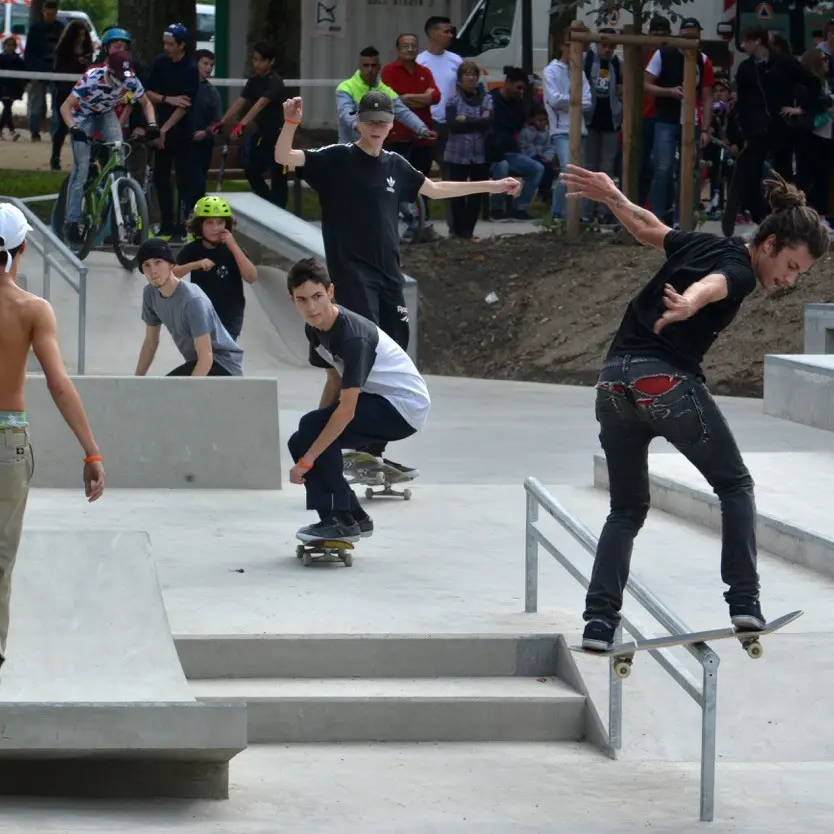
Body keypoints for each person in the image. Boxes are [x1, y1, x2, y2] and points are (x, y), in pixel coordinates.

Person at [557, 164, 829, 652]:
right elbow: (721, 284)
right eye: (791, 267)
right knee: (734, 484)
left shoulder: (702, 243)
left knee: (625, 508)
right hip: (664, 383)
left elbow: (646, 227)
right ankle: (744, 601)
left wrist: (612, 193)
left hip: (613, 384)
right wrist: (691, 301)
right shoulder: (742, 268)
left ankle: (599, 622)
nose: (789, 280)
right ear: (769, 244)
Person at [275, 92, 519, 476]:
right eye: (369, 120)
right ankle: (328, 439)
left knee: (393, 358)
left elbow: (436, 190)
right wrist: (290, 123)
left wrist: (492, 185)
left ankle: (369, 449)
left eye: (383, 121)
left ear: (392, 124)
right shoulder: (336, 157)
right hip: (353, 275)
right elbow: (285, 158)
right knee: (356, 361)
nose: (376, 127)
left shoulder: (396, 165)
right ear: (357, 122)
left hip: (390, 277)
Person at [0, 203, 106, 668]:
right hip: (8, 443)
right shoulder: (31, 309)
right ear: (21, 249)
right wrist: (91, 452)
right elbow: (59, 384)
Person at [286, 257, 430, 543]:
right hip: (379, 399)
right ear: (292, 300)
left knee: (311, 437)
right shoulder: (313, 329)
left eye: (317, 297)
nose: (311, 307)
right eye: (302, 300)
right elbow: (334, 381)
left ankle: (338, 521)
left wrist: (309, 458)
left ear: (330, 292)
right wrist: (312, 436)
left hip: (403, 407)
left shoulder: (352, 337)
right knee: (301, 436)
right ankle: (355, 517)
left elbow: (347, 409)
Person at [60, 50, 158, 244]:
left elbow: (146, 103)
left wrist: (153, 124)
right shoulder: (92, 78)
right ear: (110, 72)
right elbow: (65, 107)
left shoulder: (130, 79)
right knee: (81, 170)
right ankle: (71, 221)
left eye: (125, 78)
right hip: (83, 117)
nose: (123, 83)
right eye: (119, 78)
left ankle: (124, 206)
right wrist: (73, 128)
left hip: (105, 114)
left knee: (119, 149)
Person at [135, 238, 244, 378]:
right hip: (199, 362)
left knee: (167, 390)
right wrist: (136, 381)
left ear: (171, 265)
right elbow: (151, 341)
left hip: (224, 366)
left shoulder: (192, 300)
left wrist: (189, 392)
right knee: (161, 390)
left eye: (158, 262)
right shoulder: (150, 294)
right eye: (146, 265)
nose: (153, 271)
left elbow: (207, 357)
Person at [145, 23, 200, 241]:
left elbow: (184, 104)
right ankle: (166, 222)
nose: (166, 48)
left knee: (184, 179)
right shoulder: (160, 63)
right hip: (162, 126)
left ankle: (182, 223)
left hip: (181, 129)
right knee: (161, 177)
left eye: (170, 44)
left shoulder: (190, 69)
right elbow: (148, 91)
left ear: (181, 45)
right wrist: (166, 99)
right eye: (165, 43)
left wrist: (165, 129)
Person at [175, 196, 257, 341]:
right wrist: (196, 265)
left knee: (224, 357)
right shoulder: (192, 250)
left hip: (230, 317)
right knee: (205, 358)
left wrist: (233, 246)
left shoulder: (234, 249)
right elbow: (172, 274)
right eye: (209, 222)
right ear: (199, 225)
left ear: (227, 225)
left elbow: (251, 276)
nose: (215, 228)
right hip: (201, 315)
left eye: (220, 222)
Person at [218, 42, 287, 208]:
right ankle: (269, 203)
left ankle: (280, 209)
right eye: (254, 59)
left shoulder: (275, 82)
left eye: (261, 60)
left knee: (278, 174)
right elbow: (240, 102)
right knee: (252, 171)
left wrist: (241, 125)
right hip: (262, 134)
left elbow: (260, 104)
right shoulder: (253, 81)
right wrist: (223, 121)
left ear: (271, 62)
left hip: (279, 135)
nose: (256, 64)